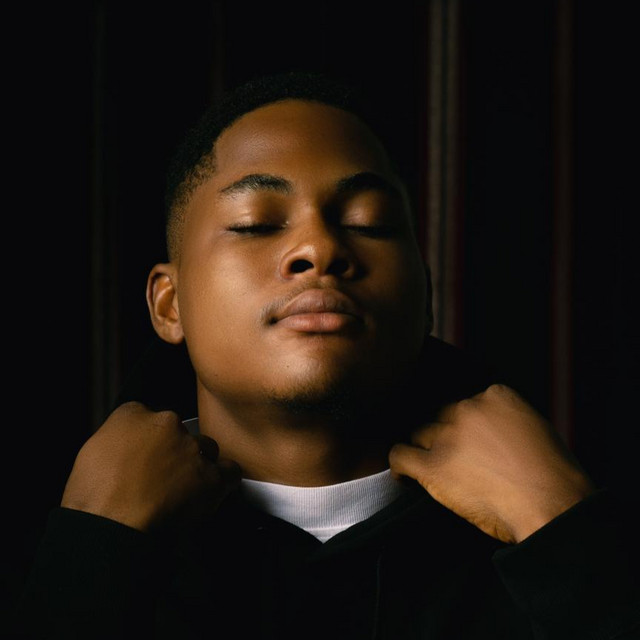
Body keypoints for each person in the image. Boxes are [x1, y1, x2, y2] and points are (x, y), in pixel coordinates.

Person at [18, 71, 639, 639]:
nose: (319, 248)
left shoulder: (572, 529)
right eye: (257, 223)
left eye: (369, 222)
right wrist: (94, 559)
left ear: (425, 295)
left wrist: (564, 531)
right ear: (169, 304)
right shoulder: (54, 546)